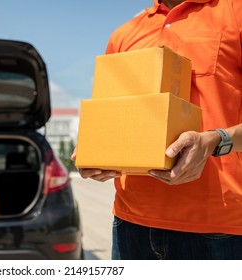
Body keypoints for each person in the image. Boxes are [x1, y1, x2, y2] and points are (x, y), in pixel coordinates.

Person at [71, 0, 242, 260]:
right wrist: (94, 151)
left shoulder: (235, 12)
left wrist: (216, 141)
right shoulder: (124, 35)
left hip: (218, 229)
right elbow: (115, 115)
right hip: (130, 224)